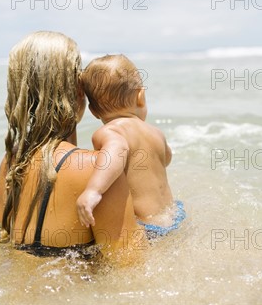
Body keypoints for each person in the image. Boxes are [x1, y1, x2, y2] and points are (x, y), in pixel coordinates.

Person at [0, 32, 147, 262]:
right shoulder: (97, 170)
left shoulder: (10, 164)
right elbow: (132, 267)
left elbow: (4, 241)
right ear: (77, 89)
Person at [76, 54, 186, 238]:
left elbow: (116, 151)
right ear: (140, 97)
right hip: (174, 215)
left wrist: (93, 190)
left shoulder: (111, 132)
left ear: (93, 111)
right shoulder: (155, 132)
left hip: (148, 227)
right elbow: (166, 159)